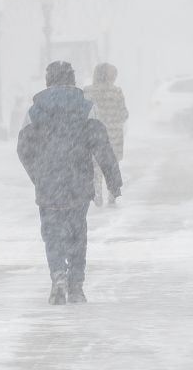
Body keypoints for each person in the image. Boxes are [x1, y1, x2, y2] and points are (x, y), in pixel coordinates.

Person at [17, 60, 123, 305]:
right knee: (77, 233)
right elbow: (101, 145)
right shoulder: (86, 107)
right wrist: (113, 181)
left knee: (52, 233)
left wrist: (38, 173)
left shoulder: (34, 111)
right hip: (78, 181)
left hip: (49, 184)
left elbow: (23, 148)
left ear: (48, 80)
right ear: (72, 80)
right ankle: (76, 285)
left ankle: (57, 274)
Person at [82, 62, 129, 206]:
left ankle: (97, 195)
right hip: (112, 136)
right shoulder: (116, 92)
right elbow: (124, 114)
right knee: (111, 166)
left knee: (95, 167)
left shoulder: (87, 92)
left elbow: (82, 113)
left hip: (93, 134)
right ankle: (112, 195)